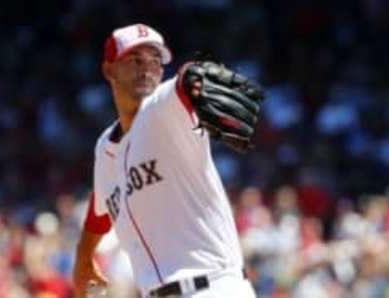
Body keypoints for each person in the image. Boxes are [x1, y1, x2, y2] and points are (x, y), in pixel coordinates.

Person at [73, 23, 262, 298]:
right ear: (109, 69)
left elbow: (185, 81)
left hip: (213, 287)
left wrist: (195, 78)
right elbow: (101, 205)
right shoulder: (105, 148)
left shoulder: (163, 109)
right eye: (135, 60)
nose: (147, 68)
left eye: (155, 60)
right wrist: (84, 256)